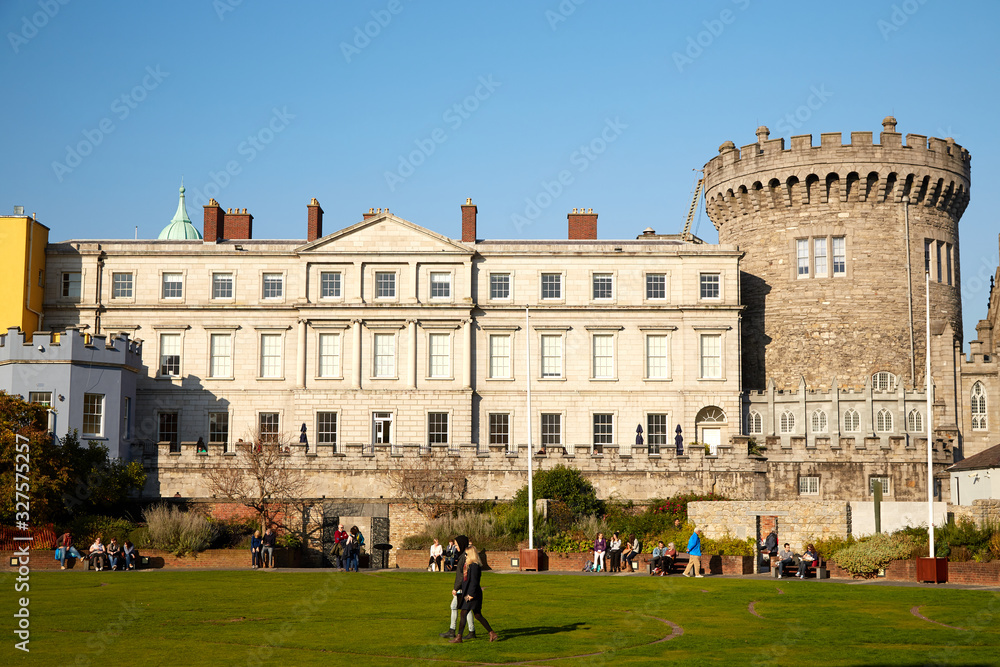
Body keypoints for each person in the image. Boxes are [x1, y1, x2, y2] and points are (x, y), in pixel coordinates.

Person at [450, 546, 499, 643]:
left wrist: (471, 595)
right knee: (477, 615)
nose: (465, 556)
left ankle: (459, 637)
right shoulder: (469, 566)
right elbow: (466, 581)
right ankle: (492, 633)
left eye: (466, 554)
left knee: (463, 613)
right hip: (470, 593)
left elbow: (474, 582)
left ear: (471, 555)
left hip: (472, 595)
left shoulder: (474, 566)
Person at [439, 535, 476, 640]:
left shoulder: (464, 557)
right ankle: (470, 631)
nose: (455, 547)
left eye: (456, 545)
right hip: (464, 587)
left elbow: (462, 575)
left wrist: (456, 588)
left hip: (463, 588)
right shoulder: (463, 556)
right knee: (464, 608)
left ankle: (455, 631)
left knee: (457, 607)